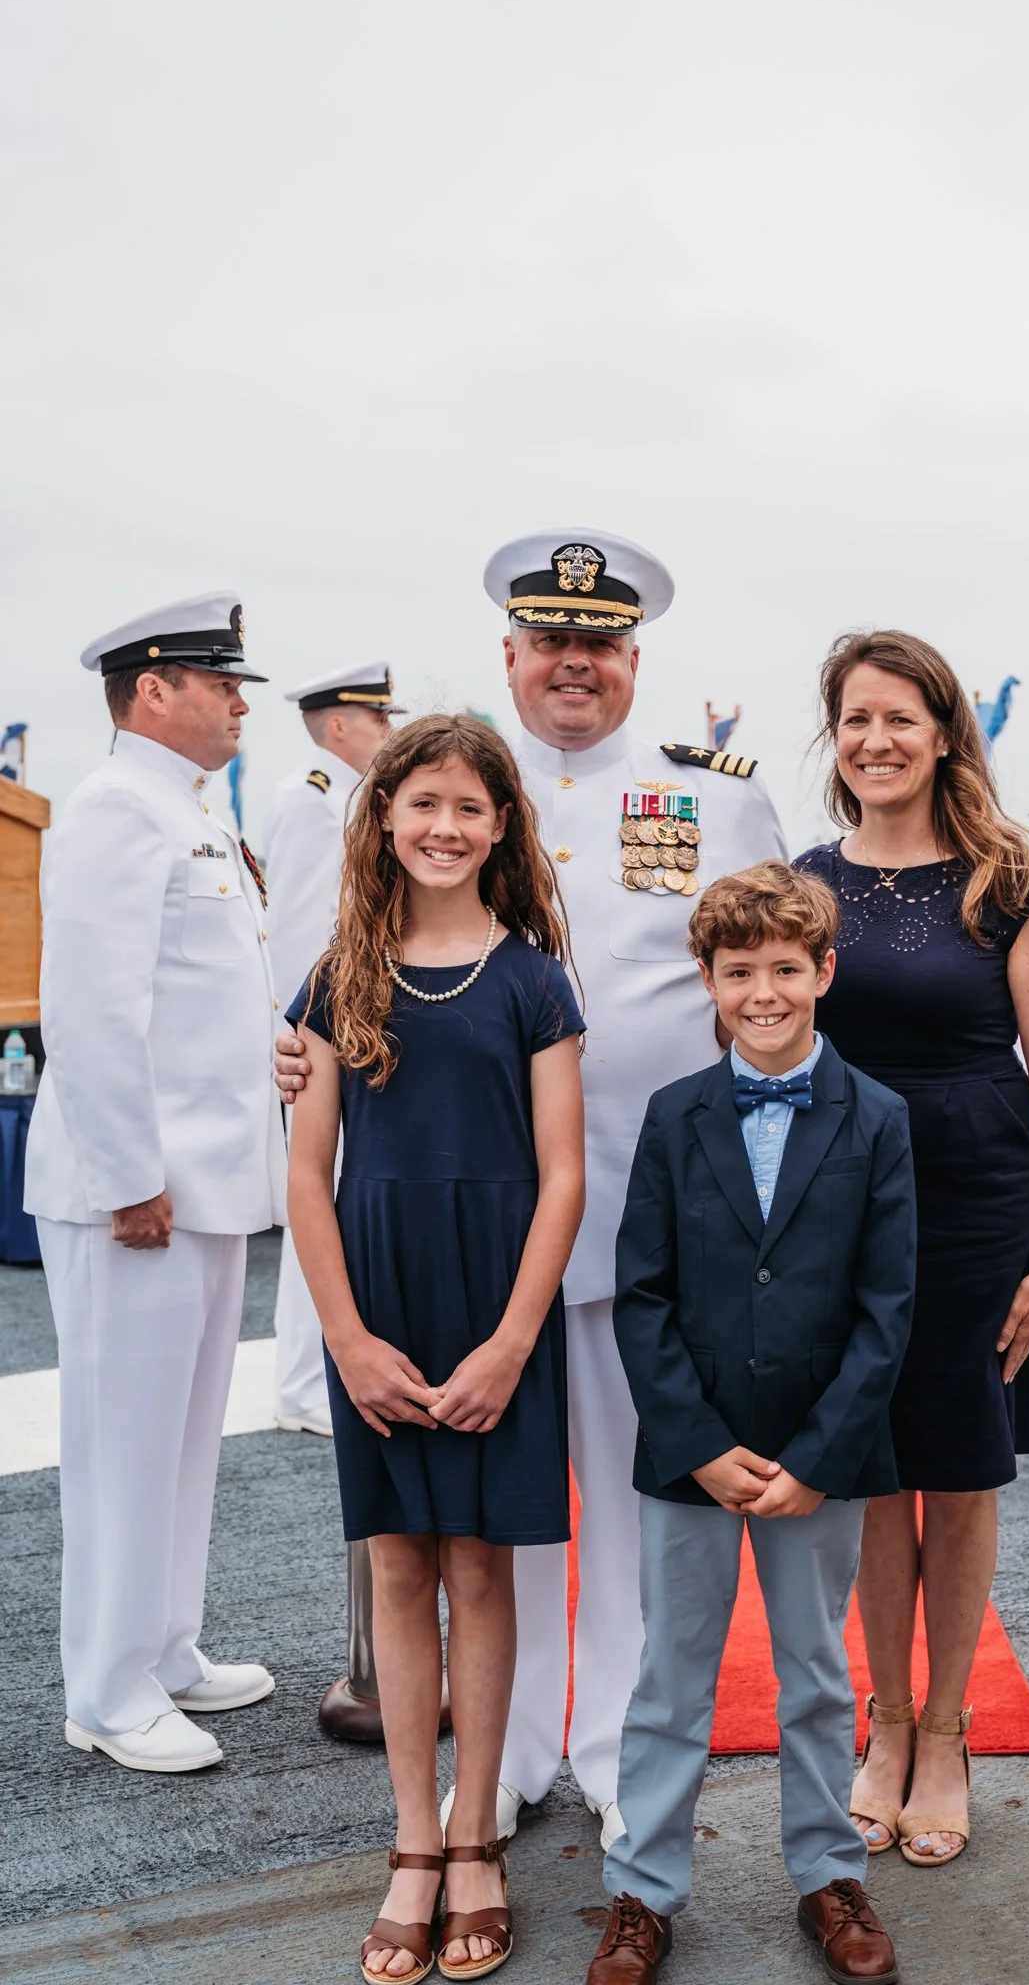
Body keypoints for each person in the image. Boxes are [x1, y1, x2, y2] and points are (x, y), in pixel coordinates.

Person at [274, 530, 786, 1849]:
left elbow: (768, 990)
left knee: (630, 1499)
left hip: (649, 1211)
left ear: (633, 661)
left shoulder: (713, 802)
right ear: (509, 654)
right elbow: (337, 969)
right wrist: (290, 1052)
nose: (574, 664)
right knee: (494, 1515)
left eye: (598, 645)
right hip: (476, 1228)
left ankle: (611, 1743)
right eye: (550, 641)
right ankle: (505, 1757)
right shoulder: (451, 792)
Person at [285, 713, 585, 1981]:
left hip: (495, 1302)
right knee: (401, 1565)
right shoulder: (336, 980)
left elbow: (564, 1174)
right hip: (381, 1302)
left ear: (502, 825)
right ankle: (414, 1839)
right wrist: (347, 1340)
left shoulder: (535, 979)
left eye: (469, 806)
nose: (444, 827)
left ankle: (476, 1837)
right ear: (386, 819)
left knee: (480, 1568)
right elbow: (307, 1177)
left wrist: (514, 1343)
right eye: (422, 804)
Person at [586, 862, 912, 1985]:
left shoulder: (879, 1117)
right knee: (670, 1676)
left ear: (824, 971)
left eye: (784, 969)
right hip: (693, 1452)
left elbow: (887, 1308)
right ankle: (642, 1890)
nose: (762, 993)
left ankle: (828, 1870)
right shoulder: (673, 1115)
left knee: (815, 1672)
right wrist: (697, 1444)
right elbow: (642, 1295)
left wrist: (816, 1458)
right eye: (738, 973)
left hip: (821, 1455)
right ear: (708, 981)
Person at [795, 629, 1029, 1870]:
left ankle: (949, 1730)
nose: (877, 740)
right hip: (844, 1210)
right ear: (836, 739)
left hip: (977, 1209)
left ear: (946, 734)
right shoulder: (808, 882)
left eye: (901, 718)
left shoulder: (1011, 883)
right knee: (870, 1472)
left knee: (959, 1475)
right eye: (856, 719)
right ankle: (888, 1722)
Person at [25, 592, 285, 1774]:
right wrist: (130, 1178)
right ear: (151, 689)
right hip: (137, 1196)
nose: (239, 704)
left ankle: (166, 1648)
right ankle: (108, 1689)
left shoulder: (185, 810)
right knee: (122, 1448)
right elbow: (91, 1012)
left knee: (181, 1441)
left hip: (205, 1186)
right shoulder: (112, 810)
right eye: (220, 683)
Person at [266, 661, 404, 1435]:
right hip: (330, 1036)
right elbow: (297, 932)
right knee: (317, 1200)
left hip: (358, 1027)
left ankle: (310, 1376)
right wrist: (310, 1035)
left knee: (341, 1202)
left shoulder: (353, 799)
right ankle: (300, 1384)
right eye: (380, 718)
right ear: (340, 723)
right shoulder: (312, 799)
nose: (389, 731)